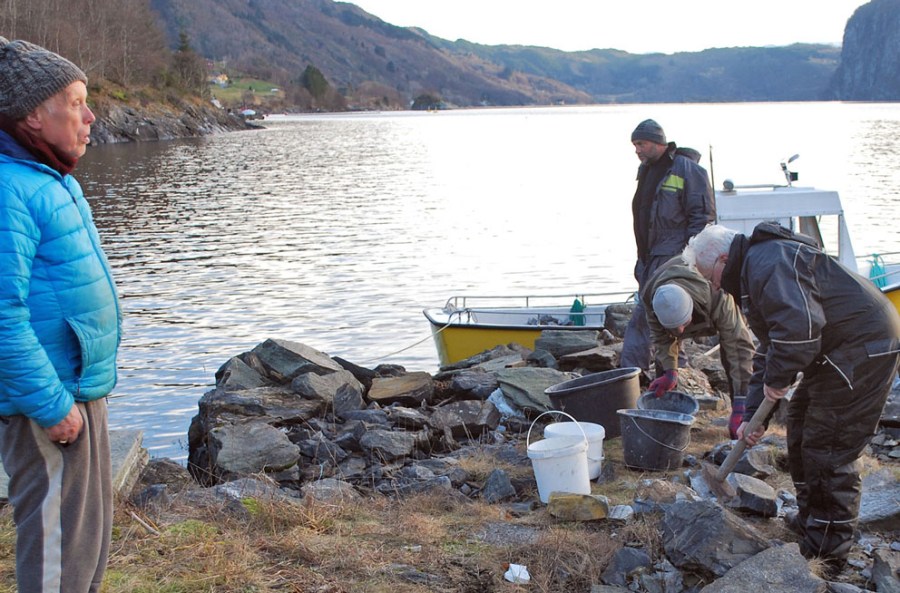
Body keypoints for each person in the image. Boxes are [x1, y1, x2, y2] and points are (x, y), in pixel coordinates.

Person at [683, 221, 900, 573]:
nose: (714, 286)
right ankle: (813, 518)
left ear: (723, 259)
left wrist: (779, 379)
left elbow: (799, 331)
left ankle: (828, 552)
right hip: (836, 351)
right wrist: (756, 416)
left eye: (711, 276)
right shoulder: (754, 271)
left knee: (828, 443)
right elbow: (769, 349)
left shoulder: (767, 263)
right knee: (798, 425)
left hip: (862, 347)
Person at [0, 37, 121, 592]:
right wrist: (49, 405)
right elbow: (2, 315)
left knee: (85, 545)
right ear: (31, 115)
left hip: (77, 390)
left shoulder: (50, 180)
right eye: (75, 102)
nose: (90, 115)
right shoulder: (7, 189)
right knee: (57, 548)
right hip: (48, 402)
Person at [619, 119, 716, 382]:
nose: (637, 149)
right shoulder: (647, 170)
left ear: (658, 142)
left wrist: (690, 259)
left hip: (673, 257)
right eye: (635, 144)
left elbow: (703, 217)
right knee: (664, 318)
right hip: (648, 258)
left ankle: (629, 377)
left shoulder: (687, 170)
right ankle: (674, 373)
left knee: (644, 317)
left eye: (641, 143)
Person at [641, 255, 754, 438]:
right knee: (664, 365)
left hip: (715, 304)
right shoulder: (651, 299)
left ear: (691, 308)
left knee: (732, 356)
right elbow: (662, 339)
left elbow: (739, 346)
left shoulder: (718, 294)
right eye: (673, 328)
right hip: (674, 293)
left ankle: (741, 417)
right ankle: (664, 424)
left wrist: (743, 401)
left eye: (683, 324)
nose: (680, 331)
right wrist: (670, 371)